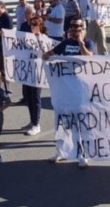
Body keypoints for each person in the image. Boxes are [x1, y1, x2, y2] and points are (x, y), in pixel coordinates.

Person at [44, 18, 95, 168]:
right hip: (64, 90)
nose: (74, 29)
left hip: (79, 90)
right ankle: (61, 151)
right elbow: (49, 54)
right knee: (62, 121)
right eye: (72, 27)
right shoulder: (65, 44)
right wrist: (46, 54)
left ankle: (83, 154)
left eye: (78, 27)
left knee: (80, 123)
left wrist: (80, 42)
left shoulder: (88, 42)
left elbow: (90, 58)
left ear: (83, 29)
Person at [20, 15, 45, 135]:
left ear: (40, 26)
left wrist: (38, 38)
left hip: (37, 72)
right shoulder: (27, 37)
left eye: (35, 24)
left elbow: (45, 52)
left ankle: (36, 124)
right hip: (27, 71)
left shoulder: (43, 38)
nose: (32, 27)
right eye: (31, 24)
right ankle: (32, 121)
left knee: (35, 98)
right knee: (28, 98)